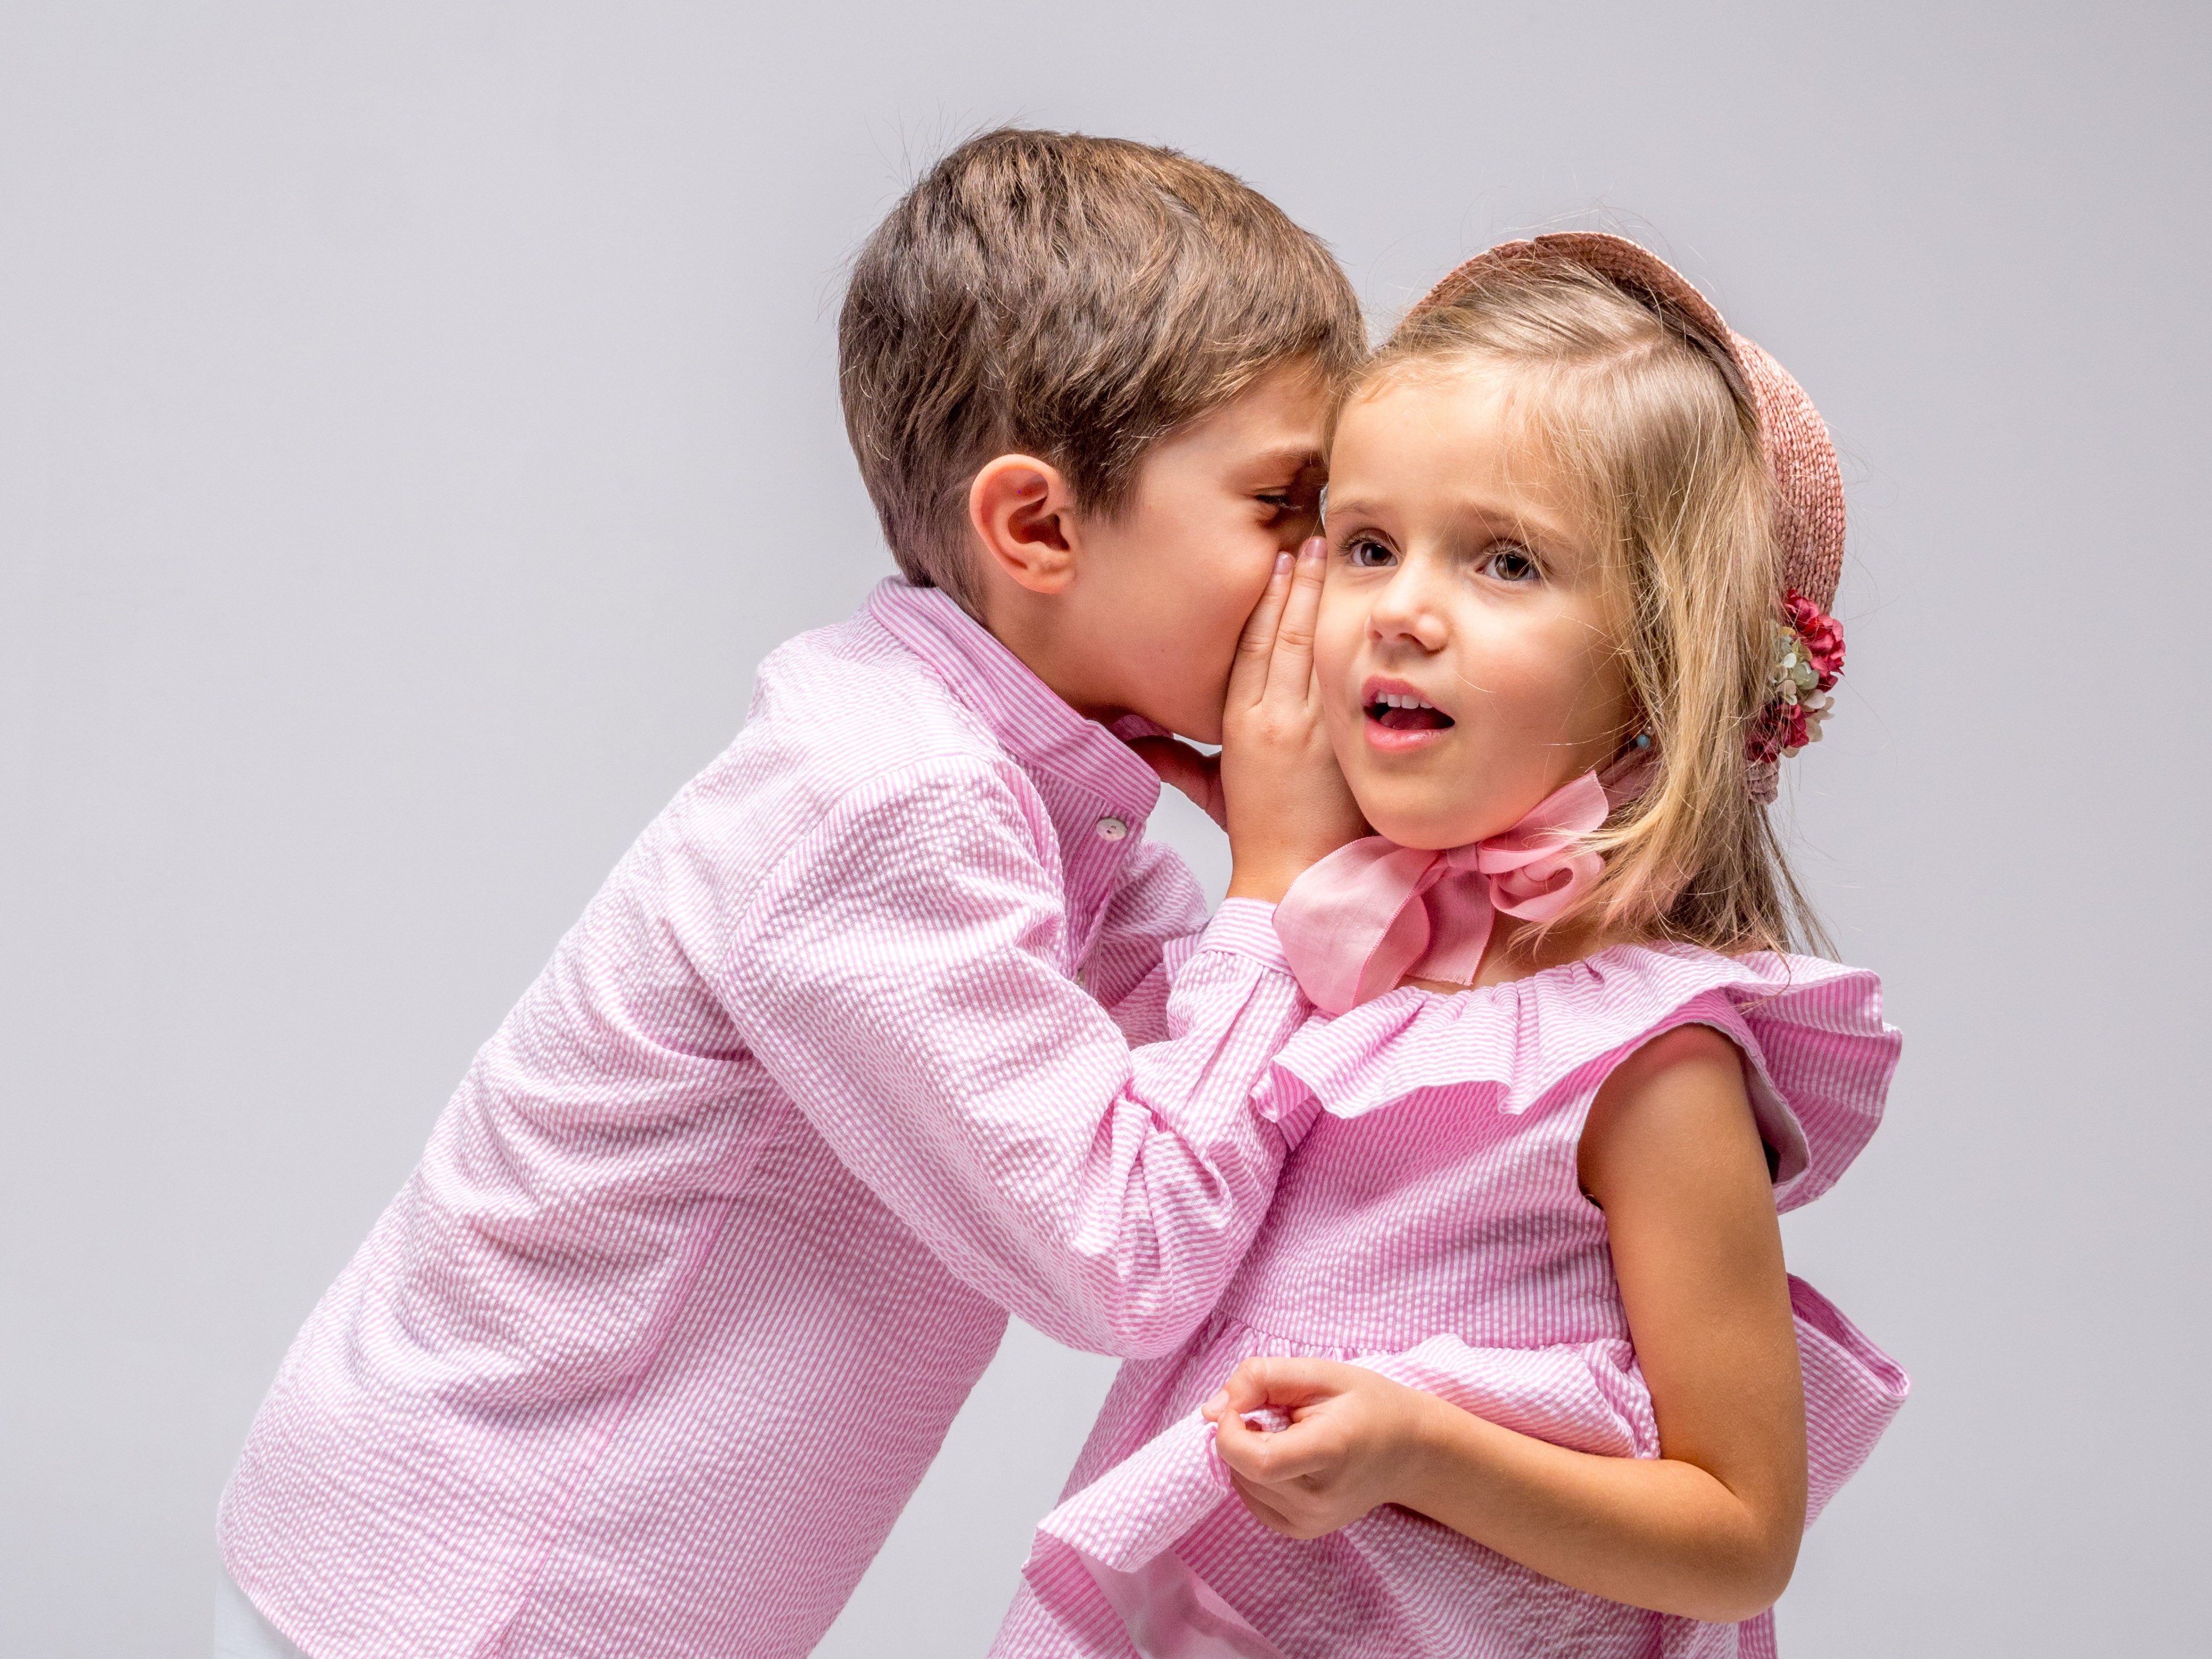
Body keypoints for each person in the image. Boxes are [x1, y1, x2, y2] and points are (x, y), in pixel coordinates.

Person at [214, 129, 1368, 1659]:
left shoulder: (1020, 793)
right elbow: (1128, 1246)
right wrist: (1277, 878)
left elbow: (1245, 1092)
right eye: (1288, 510)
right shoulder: (891, 805)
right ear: (1037, 527)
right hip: (470, 1604)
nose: (1336, 579)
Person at [996, 235, 1908, 1659]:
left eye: (1504, 561)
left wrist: (1423, 1451)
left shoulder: (1651, 1068)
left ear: (1664, 657)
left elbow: (1741, 1535)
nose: (1403, 609)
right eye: (1365, 545)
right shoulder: (1322, 956)